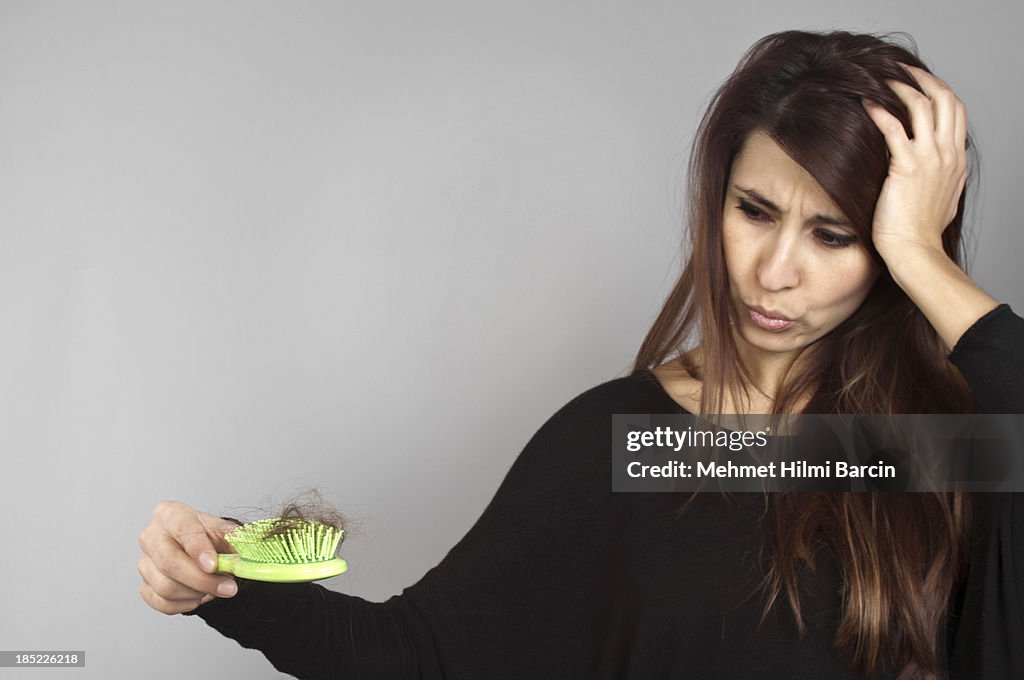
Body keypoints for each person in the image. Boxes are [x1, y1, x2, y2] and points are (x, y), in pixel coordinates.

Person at [137, 30, 1024, 679]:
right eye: (753, 211)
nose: (775, 271)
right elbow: (420, 655)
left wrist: (919, 254)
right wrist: (230, 578)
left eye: (834, 235)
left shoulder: (939, 448)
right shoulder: (636, 442)